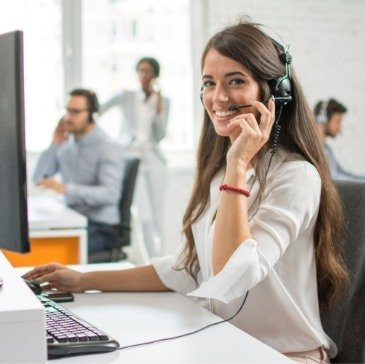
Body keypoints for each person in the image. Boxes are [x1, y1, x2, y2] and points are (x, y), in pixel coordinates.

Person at [25, 19, 348, 363]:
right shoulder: (221, 172)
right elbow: (190, 268)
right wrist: (84, 280)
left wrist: (238, 163)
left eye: (236, 81)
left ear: (275, 94)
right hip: (228, 347)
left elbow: (231, 276)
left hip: (285, 356)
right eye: (209, 83)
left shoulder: (296, 177)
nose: (218, 97)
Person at [33, 89, 124, 257]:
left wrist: (66, 189)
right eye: (67, 110)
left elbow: (110, 194)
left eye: (75, 112)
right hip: (72, 220)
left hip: (101, 227)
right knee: (33, 243)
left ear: (91, 114)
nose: (68, 117)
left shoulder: (107, 147)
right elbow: (39, 178)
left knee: (50, 253)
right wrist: (55, 143)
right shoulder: (67, 145)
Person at [99, 57, 170, 257]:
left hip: (154, 159)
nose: (143, 76)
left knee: (158, 216)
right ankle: (151, 262)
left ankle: (162, 261)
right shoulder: (126, 96)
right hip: (131, 158)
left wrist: (158, 112)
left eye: (147, 72)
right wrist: (113, 143)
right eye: (140, 71)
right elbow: (98, 111)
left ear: (155, 75)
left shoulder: (163, 101)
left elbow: (161, 135)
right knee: (144, 216)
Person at [314, 98, 365, 180]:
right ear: (323, 120)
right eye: (337, 121)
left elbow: (342, 173)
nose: (340, 127)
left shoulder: (326, 148)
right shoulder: (316, 150)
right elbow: (336, 179)